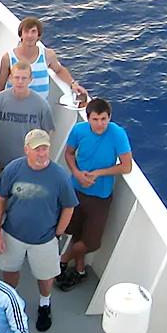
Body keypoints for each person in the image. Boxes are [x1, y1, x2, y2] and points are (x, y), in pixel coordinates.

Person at [0, 129, 77, 332]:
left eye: (45, 148)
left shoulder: (60, 176)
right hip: (12, 234)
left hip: (45, 239)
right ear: (26, 150)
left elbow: (69, 206)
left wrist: (58, 233)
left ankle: (44, 304)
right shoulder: (13, 169)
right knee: (9, 270)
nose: (42, 153)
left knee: (45, 276)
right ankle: (12, 302)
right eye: (37, 149)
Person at [59, 97, 133, 291]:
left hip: (100, 197)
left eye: (103, 119)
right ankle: (80, 271)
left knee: (91, 242)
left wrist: (99, 173)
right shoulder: (78, 131)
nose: (100, 124)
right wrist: (76, 173)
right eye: (95, 119)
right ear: (88, 118)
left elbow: (126, 166)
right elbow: (69, 153)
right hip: (76, 191)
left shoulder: (118, 134)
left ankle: (63, 260)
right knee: (76, 233)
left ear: (109, 118)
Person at [0, 17, 87, 103]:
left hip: (39, 109)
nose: (30, 35)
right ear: (21, 35)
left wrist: (73, 84)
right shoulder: (8, 58)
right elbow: (0, 87)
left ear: (38, 36)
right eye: (26, 31)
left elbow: (59, 70)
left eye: (33, 32)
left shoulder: (47, 55)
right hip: (14, 107)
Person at [0, 62, 54, 172]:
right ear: (10, 78)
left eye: (24, 78)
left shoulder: (42, 105)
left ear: (30, 79)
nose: (20, 82)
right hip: (1, 162)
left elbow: (47, 134)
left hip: (28, 165)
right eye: (17, 77)